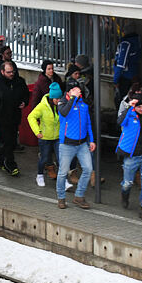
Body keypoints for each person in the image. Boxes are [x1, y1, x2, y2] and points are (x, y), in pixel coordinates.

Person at [117, 92, 142, 221]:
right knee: (127, 183)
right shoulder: (129, 116)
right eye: (138, 106)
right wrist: (129, 107)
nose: (141, 109)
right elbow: (120, 121)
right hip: (131, 156)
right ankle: (124, 195)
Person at [56, 81, 94, 210]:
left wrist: (92, 140)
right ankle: (61, 198)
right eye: (76, 91)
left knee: (88, 169)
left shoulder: (83, 104)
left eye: (80, 91)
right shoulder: (62, 103)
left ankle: (79, 196)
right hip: (67, 144)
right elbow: (65, 112)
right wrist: (72, 98)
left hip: (82, 144)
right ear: (69, 92)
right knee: (62, 173)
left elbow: (88, 123)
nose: (79, 93)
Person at [0, 61, 29, 177]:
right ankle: (10, 164)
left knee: (10, 141)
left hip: (15, 116)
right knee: (8, 141)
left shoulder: (19, 82)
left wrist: (24, 102)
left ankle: (0, 160)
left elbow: (25, 94)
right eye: (8, 72)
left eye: (12, 71)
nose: (11, 74)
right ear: (2, 72)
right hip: (2, 117)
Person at [28, 83, 63, 188]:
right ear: (52, 98)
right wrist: (37, 131)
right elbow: (31, 117)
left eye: (59, 98)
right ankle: (39, 175)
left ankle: (63, 180)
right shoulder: (42, 106)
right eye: (56, 98)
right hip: (45, 138)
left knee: (61, 158)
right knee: (44, 158)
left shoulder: (60, 106)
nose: (58, 100)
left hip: (57, 137)